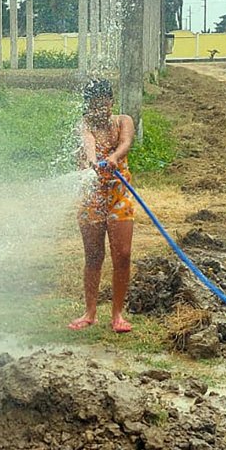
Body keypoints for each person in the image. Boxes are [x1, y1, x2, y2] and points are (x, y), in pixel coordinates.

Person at [70, 79, 136, 334]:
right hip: (92, 198)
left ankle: (117, 314)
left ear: (111, 102)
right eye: (94, 106)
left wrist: (113, 158)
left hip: (120, 197)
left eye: (104, 104)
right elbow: (87, 142)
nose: (100, 110)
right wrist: (91, 161)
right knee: (94, 256)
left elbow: (126, 142)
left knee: (123, 254)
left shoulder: (123, 121)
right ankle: (90, 313)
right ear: (88, 107)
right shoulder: (85, 124)